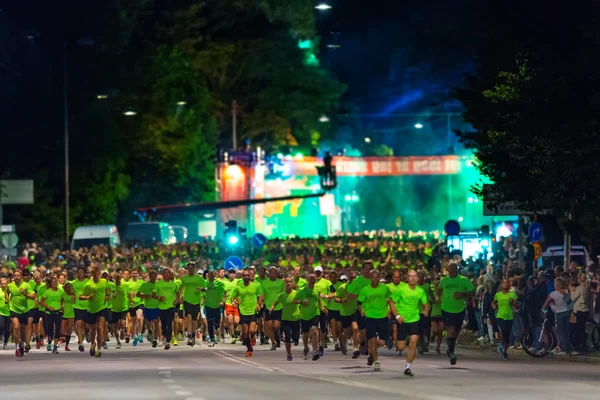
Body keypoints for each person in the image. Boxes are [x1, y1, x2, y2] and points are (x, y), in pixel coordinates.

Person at [389, 270, 428, 376]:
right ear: (407, 278)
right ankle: (395, 339)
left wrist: (426, 310)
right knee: (401, 347)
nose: (413, 278)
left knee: (414, 342)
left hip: (414, 319)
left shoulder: (420, 291)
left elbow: (425, 303)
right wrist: (397, 316)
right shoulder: (401, 290)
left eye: (415, 276)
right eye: (410, 276)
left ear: (417, 278)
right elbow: (391, 301)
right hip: (402, 320)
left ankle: (407, 367)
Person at [438, 262, 474, 365]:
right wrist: (438, 298)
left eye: (454, 269)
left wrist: (463, 294)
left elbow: (472, 291)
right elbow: (439, 290)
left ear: (457, 270)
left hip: (459, 309)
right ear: (448, 271)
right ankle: (451, 352)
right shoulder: (444, 281)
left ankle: (450, 347)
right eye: (450, 270)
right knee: (451, 328)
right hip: (446, 309)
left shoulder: (463, 280)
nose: (452, 271)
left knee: (456, 331)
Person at [358, 269, 392, 371]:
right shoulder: (365, 289)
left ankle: (372, 352)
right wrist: (362, 311)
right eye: (373, 277)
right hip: (370, 317)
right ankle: (376, 361)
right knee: (372, 340)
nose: (375, 280)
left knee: (381, 342)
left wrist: (389, 311)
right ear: (370, 278)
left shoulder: (385, 289)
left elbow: (391, 300)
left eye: (377, 277)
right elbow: (359, 303)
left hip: (382, 317)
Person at [231, 268, 263, 357]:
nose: (246, 277)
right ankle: (249, 348)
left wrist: (258, 304)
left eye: (247, 275)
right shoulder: (238, 286)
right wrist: (234, 303)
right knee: (245, 332)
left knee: (252, 331)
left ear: (250, 276)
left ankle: (252, 337)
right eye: (244, 275)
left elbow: (261, 295)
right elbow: (233, 297)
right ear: (242, 276)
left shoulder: (255, 286)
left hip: (252, 311)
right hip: (243, 311)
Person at [294, 274, 326, 361]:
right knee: (305, 334)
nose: (313, 280)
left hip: (315, 313)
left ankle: (315, 351)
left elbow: (318, 300)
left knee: (315, 330)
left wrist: (322, 308)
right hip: (304, 315)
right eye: (311, 279)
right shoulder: (302, 291)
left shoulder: (317, 290)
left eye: (314, 279)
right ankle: (306, 348)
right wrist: (301, 301)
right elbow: (294, 300)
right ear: (307, 280)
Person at [80, 267, 110, 358]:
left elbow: (107, 289)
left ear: (100, 274)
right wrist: (87, 297)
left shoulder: (104, 282)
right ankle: (93, 344)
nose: (96, 277)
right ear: (92, 275)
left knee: (100, 327)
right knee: (93, 329)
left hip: (102, 307)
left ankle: (99, 349)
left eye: (98, 275)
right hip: (92, 309)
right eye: (94, 275)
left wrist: (107, 295)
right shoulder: (88, 284)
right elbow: (80, 296)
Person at [6, 269, 37, 357]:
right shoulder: (10, 285)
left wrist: (25, 294)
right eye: (15, 276)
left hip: (24, 310)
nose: (16, 277)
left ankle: (22, 344)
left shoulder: (26, 285)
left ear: (21, 277)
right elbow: (6, 292)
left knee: (23, 332)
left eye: (18, 276)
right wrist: (7, 299)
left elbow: (34, 296)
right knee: (16, 327)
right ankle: (17, 348)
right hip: (14, 309)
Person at [272, 276, 301, 361]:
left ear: (292, 283)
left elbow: (303, 301)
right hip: (285, 320)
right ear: (285, 284)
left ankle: (295, 339)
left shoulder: (297, 293)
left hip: (296, 319)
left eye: (290, 282)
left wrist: (300, 302)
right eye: (287, 282)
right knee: (287, 337)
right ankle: (289, 354)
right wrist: (272, 307)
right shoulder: (281, 295)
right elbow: (275, 302)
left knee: (295, 339)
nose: (288, 283)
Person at [153, 268, 181, 350]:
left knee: (169, 322)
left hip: (170, 307)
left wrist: (177, 300)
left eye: (168, 273)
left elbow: (178, 294)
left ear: (170, 275)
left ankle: (168, 341)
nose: (167, 275)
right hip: (161, 307)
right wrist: (159, 297)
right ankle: (164, 337)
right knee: (163, 324)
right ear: (162, 274)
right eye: (165, 273)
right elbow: (153, 294)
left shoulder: (174, 285)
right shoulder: (158, 284)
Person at [542, 278, 571, 355]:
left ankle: (564, 350)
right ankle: (569, 348)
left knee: (561, 332)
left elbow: (545, 304)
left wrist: (544, 311)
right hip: (567, 313)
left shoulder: (553, 294)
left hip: (559, 314)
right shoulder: (567, 292)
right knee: (567, 331)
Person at [180, 262, 207, 347]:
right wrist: (180, 296)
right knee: (189, 317)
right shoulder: (184, 278)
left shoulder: (199, 278)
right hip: (187, 300)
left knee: (194, 320)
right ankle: (189, 336)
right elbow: (181, 287)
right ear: (187, 269)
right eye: (189, 268)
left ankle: (193, 335)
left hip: (196, 301)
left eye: (192, 268)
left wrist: (201, 289)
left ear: (194, 269)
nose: (190, 270)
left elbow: (206, 288)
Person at [492, 278, 518, 361]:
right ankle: (501, 344)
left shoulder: (512, 294)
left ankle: (504, 350)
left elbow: (516, 305)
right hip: (500, 315)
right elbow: (493, 302)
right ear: (501, 284)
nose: (505, 284)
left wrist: (512, 302)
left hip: (509, 316)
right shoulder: (498, 294)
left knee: (507, 334)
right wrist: (494, 307)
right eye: (504, 283)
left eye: (507, 283)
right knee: (504, 330)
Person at [260, 267, 284, 351]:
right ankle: (273, 342)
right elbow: (262, 294)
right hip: (268, 307)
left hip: (278, 306)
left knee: (275, 326)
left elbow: (284, 293)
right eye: (271, 273)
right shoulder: (265, 283)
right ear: (268, 274)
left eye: (274, 273)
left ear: (277, 274)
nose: (272, 274)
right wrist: (260, 302)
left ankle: (277, 335)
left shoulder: (281, 282)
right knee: (269, 326)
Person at [40, 276, 65, 354]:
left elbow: (63, 299)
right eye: (53, 282)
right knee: (50, 329)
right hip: (49, 313)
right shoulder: (47, 291)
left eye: (55, 282)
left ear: (57, 283)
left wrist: (62, 305)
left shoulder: (61, 291)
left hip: (58, 312)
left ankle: (55, 347)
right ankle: (49, 343)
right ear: (51, 283)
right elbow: (42, 301)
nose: (54, 283)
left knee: (57, 329)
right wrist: (48, 307)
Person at [138, 270, 161, 348]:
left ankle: (155, 339)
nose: (154, 278)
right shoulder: (145, 285)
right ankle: (150, 332)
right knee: (148, 324)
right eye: (152, 276)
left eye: (155, 277)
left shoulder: (158, 285)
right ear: (149, 277)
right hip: (147, 307)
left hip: (157, 307)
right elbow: (138, 294)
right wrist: (144, 296)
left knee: (156, 323)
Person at [204, 269, 226, 347]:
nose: (211, 276)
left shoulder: (219, 283)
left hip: (217, 306)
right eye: (210, 274)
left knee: (217, 322)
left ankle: (217, 330)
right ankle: (212, 338)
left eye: (213, 274)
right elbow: (201, 290)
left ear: (215, 275)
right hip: (208, 305)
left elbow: (225, 293)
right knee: (209, 322)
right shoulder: (205, 282)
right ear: (208, 275)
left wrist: (223, 301)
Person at [570, 272, 589, 356]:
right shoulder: (587, 288)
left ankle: (578, 349)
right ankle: (584, 348)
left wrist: (571, 291)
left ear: (580, 279)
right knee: (582, 330)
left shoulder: (579, 288)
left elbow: (573, 298)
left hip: (579, 311)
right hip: (585, 311)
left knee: (578, 331)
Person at [71, 266, 89, 352]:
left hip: (87, 306)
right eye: (78, 272)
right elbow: (72, 293)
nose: (80, 273)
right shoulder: (73, 283)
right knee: (79, 324)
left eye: (82, 272)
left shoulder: (88, 282)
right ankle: (81, 343)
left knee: (87, 326)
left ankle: (87, 333)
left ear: (84, 273)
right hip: (77, 306)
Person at [110, 272, 130, 350]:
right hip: (114, 308)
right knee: (114, 327)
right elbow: (108, 294)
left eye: (119, 278)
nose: (118, 279)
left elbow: (128, 295)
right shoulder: (112, 286)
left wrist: (131, 301)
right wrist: (112, 295)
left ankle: (122, 330)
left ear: (121, 278)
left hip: (123, 308)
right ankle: (118, 341)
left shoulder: (125, 286)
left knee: (122, 323)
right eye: (116, 278)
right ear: (114, 278)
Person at [224, 268, 240, 344]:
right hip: (228, 303)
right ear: (228, 274)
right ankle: (233, 337)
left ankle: (234, 328)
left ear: (235, 274)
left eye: (233, 273)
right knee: (230, 321)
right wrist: (223, 301)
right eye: (230, 273)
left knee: (236, 322)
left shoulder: (238, 281)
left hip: (236, 304)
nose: (232, 275)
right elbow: (225, 294)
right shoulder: (226, 283)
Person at [61, 282, 76, 352]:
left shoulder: (73, 294)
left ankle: (67, 345)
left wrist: (73, 295)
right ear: (65, 288)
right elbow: (62, 302)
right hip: (64, 314)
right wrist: (62, 306)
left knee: (69, 330)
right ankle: (62, 338)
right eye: (67, 287)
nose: (69, 288)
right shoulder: (63, 294)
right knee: (62, 331)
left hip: (71, 314)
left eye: (70, 287)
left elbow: (74, 302)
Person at [0, 277, 11, 350]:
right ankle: (1, 336)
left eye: (5, 283)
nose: (3, 285)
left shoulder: (10, 292)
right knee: (1, 326)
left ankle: (5, 343)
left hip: (9, 312)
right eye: (2, 284)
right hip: (1, 312)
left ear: (7, 284)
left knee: (7, 329)